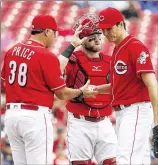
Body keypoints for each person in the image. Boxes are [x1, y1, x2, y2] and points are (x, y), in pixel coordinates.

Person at [1, 15, 98, 165]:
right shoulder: (46, 55)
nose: (55, 36)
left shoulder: (11, 51)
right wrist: (81, 92)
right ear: (47, 32)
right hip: (34, 117)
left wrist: (72, 45)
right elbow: (62, 93)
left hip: (12, 116)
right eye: (54, 32)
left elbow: (6, 82)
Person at [95, 7, 158, 164]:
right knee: (140, 159)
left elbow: (152, 84)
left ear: (120, 24)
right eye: (103, 30)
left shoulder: (135, 46)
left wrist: (157, 123)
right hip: (125, 112)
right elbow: (119, 85)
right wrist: (96, 89)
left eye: (109, 28)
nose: (106, 33)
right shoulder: (117, 49)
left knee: (126, 159)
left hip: (136, 110)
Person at [58, 14, 117, 165]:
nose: (97, 39)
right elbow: (55, 69)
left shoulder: (110, 60)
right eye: (92, 36)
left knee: (113, 162)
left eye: (99, 35)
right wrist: (72, 45)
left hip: (104, 122)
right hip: (79, 122)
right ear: (83, 39)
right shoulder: (73, 58)